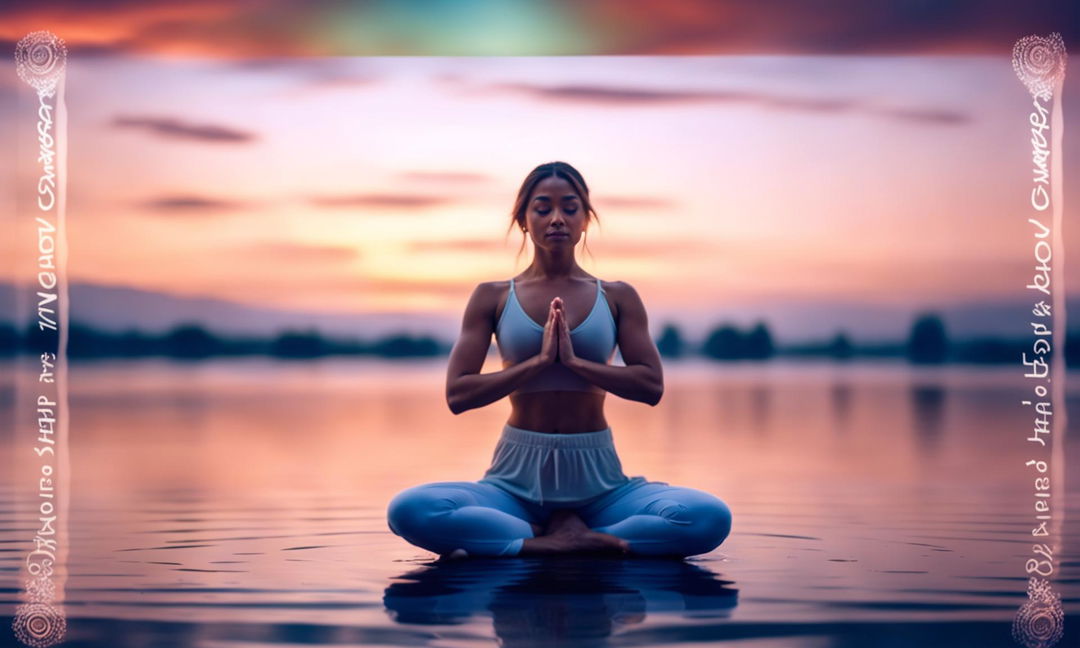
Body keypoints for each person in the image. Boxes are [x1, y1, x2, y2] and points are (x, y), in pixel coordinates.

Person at [387, 161, 732, 558]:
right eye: (542, 208)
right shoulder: (492, 296)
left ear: (586, 220)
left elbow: (651, 387)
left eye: (569, 208)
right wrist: (535, 364)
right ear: (523, 219)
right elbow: (458, 394)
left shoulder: (618, 296)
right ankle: (546, 539)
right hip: (513, 485)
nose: (556, 219)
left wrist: (575, 363)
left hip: (601, 487)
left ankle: (581, 538)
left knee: (709, 517)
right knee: (408, 510)